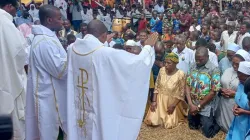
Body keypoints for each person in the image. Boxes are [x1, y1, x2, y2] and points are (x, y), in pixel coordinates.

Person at [66, 20, 157, 140]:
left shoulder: (72, 49)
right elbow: (136, 64)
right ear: (104, 35)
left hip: (79, 103)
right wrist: (147, 48)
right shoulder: (104, 53)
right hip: (98, 107)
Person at [26, 5, 68, 140]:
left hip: (49, 93)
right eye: (59, 18)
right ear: (49, 20)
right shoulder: (44, 42)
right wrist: (75, 55)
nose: (62, 21)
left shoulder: (47, 38)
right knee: (50, 131)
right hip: (49, 96)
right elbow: (60, 71)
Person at [0, 0, 27, 139]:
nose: (15, 12)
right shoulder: (6, 23)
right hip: (7, 76)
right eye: (15, 9)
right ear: (9, 6)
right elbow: (21, 52)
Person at [144, 52, 188, 128]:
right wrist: (154, 101)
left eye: (169, 63)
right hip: (159, 101)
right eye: (165, 62)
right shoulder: (161, 70)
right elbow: (157, 87)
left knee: (169, 124)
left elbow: (182, 93)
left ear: (175, 64)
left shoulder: (181, 74)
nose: (166, 65)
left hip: (173, 103)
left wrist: (173, 105)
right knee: (152, 121)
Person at [186, 47, 221, 138]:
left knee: (207, 134)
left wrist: (198, 107)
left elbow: (213, 91)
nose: (197, 61)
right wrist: (190, 104)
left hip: (205, 107)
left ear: (207, 57)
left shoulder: (214, 69)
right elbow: (187, 85)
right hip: (193, 104)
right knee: (192, 127)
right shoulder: (192, 66)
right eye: (196, 59)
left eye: (200, 59)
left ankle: (216, 123)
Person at [216, 51, 246, 132]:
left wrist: (234, 94)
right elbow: (220, 83)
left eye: (238, 64)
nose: (235, 66)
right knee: (220, 123)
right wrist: (221, 89)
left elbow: (246, 94)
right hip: (223, 102)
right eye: (233, 63)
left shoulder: (245, 75)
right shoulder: (228, 70)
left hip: (236, 104)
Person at [227, 61, 250, 140]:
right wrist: (236, 105)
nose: (241, 81)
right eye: (239, 77)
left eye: (243, 80)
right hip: (239, 121)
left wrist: (244, 112)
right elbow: (239, 98)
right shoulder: (240, 84)